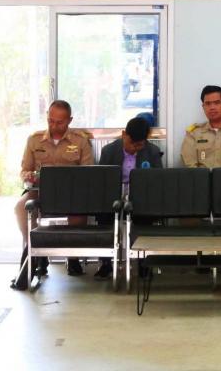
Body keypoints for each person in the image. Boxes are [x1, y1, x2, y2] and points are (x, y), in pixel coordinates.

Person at [12, 100, 94, 289]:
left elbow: (89, 173)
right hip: (40, 191)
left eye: (59, 122)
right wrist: (28, 175)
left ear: (69, 120)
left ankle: (72, 256)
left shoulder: (80, 141)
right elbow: (25, 169)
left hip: (71, 194)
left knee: (79, 214)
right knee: (21, 208)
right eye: (50, 120)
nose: (54, 126)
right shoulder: (34, 140)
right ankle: (34, 250)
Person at [96, 115, 163, 279]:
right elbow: (102, 180)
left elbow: (157, 181)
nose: (134, 148)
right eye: (132, 143)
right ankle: (106, 263)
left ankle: (143, 262)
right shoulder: (109, 151)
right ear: (124, 134)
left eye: (139, 145)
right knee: (103, 212)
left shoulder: (152, 152)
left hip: (140, 195)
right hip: (114, 194)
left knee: (145, 213)